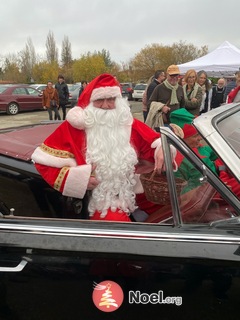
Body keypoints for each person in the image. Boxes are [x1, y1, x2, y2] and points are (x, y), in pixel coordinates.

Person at [31, 73, 173, 222]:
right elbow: (42, 161)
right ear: (90, 102)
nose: (106, 106)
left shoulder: (127, 123)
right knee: (123, 233)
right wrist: (80, 180)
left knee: (181, 211)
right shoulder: (74, 128)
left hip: (132, 191)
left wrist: (163, 148)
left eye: (111, 99)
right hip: (102, 202)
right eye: (99, 100)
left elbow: (154, 143)